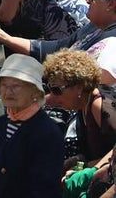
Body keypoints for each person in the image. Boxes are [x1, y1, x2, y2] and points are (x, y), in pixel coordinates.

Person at [0, 54, 64, 198]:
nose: (8, 91)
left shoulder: (47, 133)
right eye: (4, 85)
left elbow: (43, 189)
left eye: (16, 86)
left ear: (35, 92)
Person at [41, 50, 115, 179]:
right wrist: (77, 161)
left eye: (56, 90)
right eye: (50, 88)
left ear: (79, 87)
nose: (53, 95)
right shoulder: (83, 103)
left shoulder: (101, 106)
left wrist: (88, 171)